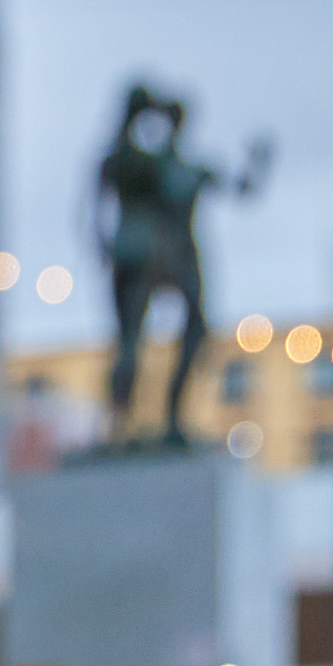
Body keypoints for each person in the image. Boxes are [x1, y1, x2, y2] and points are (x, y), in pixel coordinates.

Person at [97, 86, 265, 443]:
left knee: (180, 334)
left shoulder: (172, 166)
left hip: (172, 257)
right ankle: (124, 424)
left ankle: (158, 421)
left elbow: (241, 187)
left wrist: (258, 164)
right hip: (158, 257)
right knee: (133, 340)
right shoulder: (153, 165)